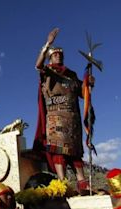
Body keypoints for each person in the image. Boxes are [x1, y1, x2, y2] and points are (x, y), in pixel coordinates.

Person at [33, 28, 94, 192]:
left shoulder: (72, 75)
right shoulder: (47, 71)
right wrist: (48, 44)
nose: (58, 56)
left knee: (74, 151)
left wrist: (88, 83)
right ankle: (62, 182)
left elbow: (82, 93)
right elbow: (37, 65)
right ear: (50, 56)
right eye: (55, 54)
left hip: (73, 118)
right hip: (56, 116)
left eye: (60, 54)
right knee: (59, 150)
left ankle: (82, 182)